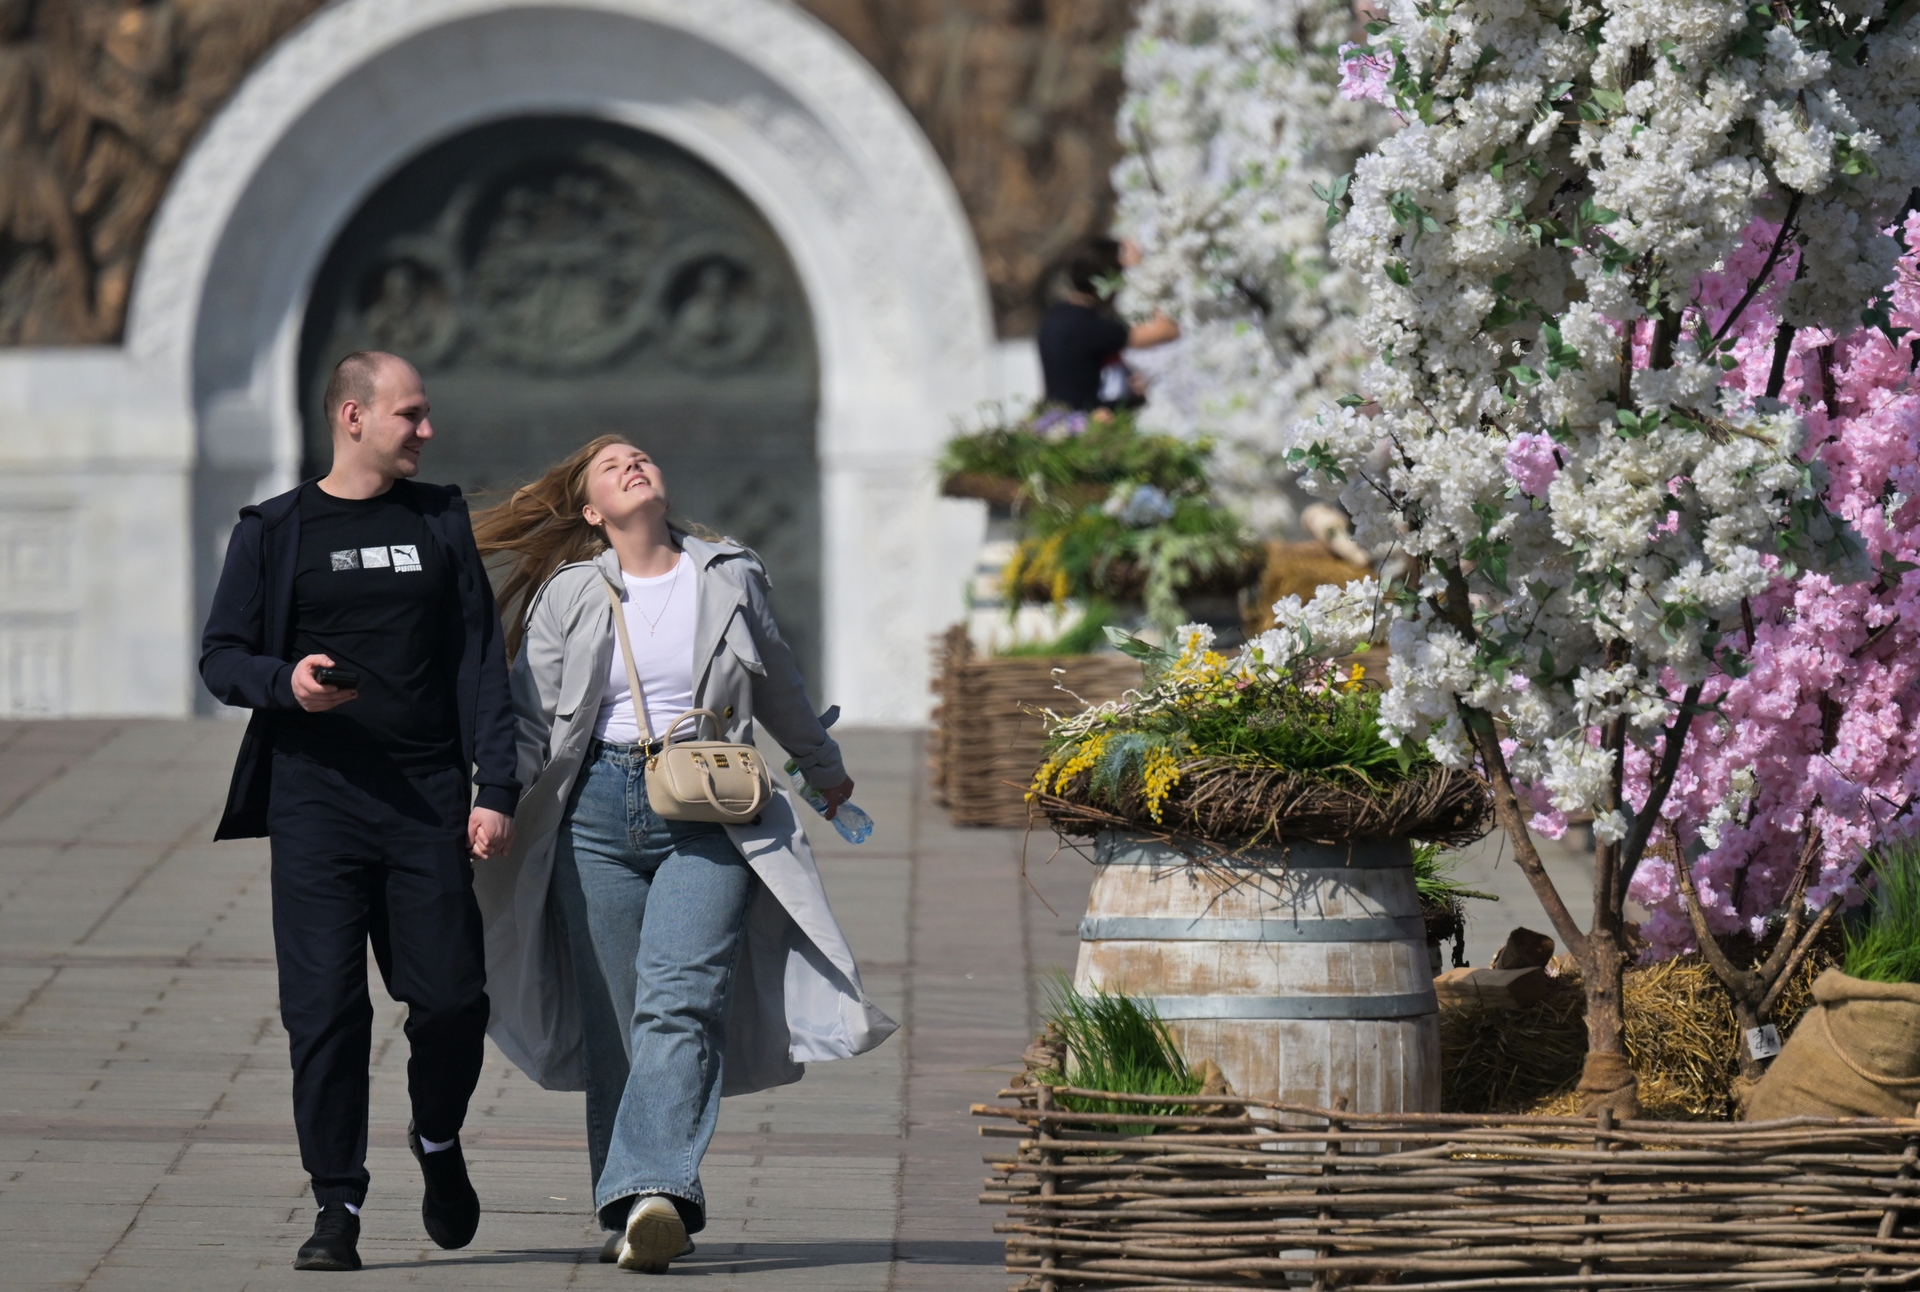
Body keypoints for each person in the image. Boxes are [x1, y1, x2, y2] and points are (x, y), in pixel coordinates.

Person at [471, 436, 896, 1273]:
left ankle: (658, 1191)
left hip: (712, 806)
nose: (633, 465)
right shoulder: (570, 592)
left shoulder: (730, 576)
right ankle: (630, 1210)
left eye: (640, 457)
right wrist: (494, 800)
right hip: (592, 811)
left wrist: (825, 771)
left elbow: (779, 684)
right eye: (611, 466)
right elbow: (528, 718)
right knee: (616, 1019)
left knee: (680, 1000)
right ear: (591, 510)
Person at [199, 351, 520, 1272]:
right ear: (352, 417)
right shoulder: (274, 530)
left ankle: (436, 1136)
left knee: (453, 1000)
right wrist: (286, 682)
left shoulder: (438, 519)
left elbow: (478, 661)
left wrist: (494, 787)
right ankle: (336, 1203)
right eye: (410, 414)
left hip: (425, 802)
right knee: (325, 1013)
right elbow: (221, 656)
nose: (427, 430)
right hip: (316, 805)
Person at [1037, 235, 1180, 410]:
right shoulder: (1087, 326)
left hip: (1063, 418)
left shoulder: (1055, 317)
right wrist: (1148, 273)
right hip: (1087, 420)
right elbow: (1167, 331)